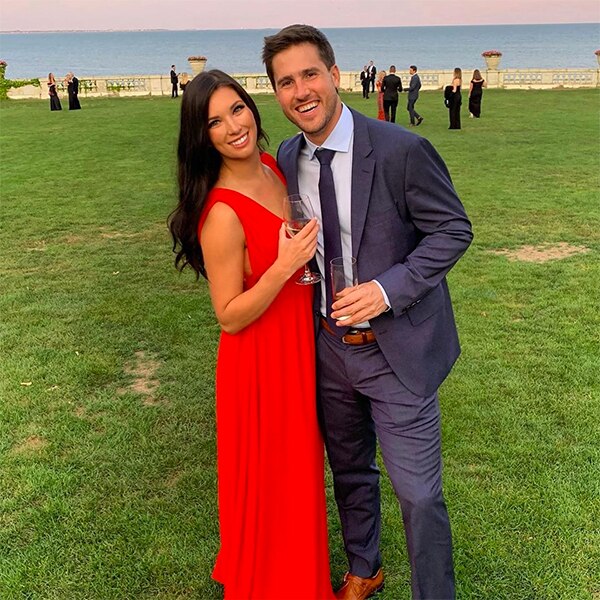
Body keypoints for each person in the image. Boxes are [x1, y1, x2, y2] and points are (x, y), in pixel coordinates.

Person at [263, 24, 473, 600]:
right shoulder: (288, 156)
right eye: (286, 82)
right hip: (329, 348)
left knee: (419, 494)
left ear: (335, 76)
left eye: (310, 74)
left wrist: (387, 289)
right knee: (350, 469)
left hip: (395, 349)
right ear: (276, 93)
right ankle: (365, 566)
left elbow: (453, 229)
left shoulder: (402, 149)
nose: (301, 91)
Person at [168, 69, 335, 600]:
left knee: (299, 474)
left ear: (252, 107)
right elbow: (229, 315)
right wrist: (284, 267)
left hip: (297, 347)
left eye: (237, 109)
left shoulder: (272, 166)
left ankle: (302, 580)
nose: (233, 126)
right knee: (270, 481)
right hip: (259, 364)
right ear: (202, 137)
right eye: (214, 122)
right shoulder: (220, 212)